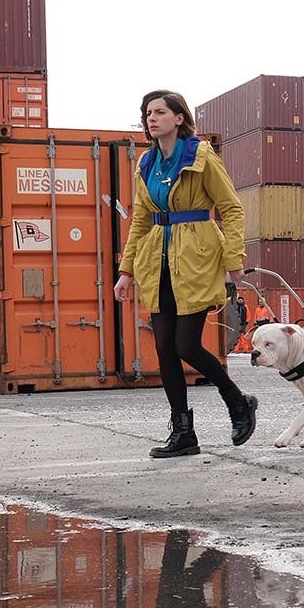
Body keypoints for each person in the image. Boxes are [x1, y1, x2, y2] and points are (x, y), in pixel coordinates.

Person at [114, 90, 258, 458]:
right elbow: (140, 220)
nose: (152, 118)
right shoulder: (146, 163)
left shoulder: (201, 156)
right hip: (157, 258)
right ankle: (183, 433)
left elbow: (231, 207)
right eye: (148, 113)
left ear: (179, 118)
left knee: (186, 346)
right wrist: (126, 270)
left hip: (196, 255)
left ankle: (238, 402)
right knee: (164, 349)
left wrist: (233, 258)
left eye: (160, 112)